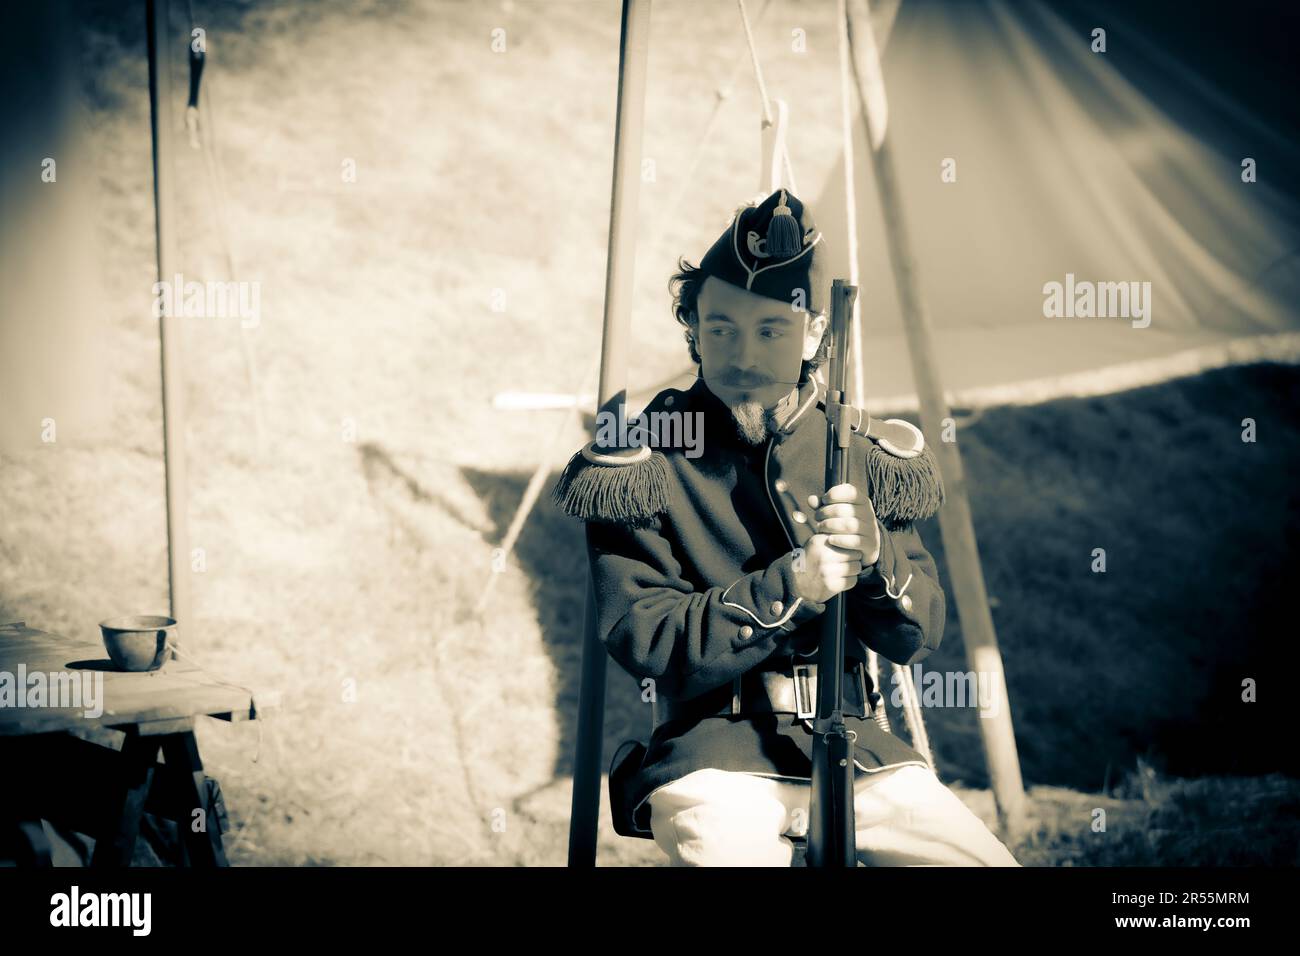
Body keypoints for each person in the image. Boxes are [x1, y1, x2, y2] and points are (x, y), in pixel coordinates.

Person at [554, 187, 1020, 867]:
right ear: (692, 325)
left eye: (770, 329)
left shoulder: (862, 449)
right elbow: (646, 640)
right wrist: (791, 585)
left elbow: (920, 635)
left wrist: (875, 559)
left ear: (815, 336)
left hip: (860, 754)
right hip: (714, 763)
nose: (742, 352)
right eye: (720, 328)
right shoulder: (642, 459)